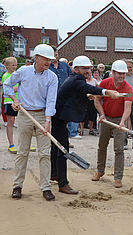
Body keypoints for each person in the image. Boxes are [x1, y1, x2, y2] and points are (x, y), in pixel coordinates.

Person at [51, 56, 118, 194]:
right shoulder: (76, 80)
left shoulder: (73, 79)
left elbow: (79, 92)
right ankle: (63, 184)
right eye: (85, 68)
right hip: (59, 119)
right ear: (76, 69)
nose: (88, 70)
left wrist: (88, 96)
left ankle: (54, 174)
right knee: (63, 150)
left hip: (59, 117)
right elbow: (85, 87)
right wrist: (106, 92)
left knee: (56, 148)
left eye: (89, 68)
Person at [5, 44, 58, 201]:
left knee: (44, 153)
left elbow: (51, 100)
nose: (48, 62)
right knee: (22, 152)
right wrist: (14, 100)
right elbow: (7, 85)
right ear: (37, 58)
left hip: (42, 116)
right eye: (46, 59)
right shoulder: (23, 72)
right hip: (25, 115)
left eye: (50, 59)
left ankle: (46, 188)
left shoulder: (52, 77)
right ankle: (17, 186)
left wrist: (48, 120)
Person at [91, 60, 133, 188]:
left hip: (119, 119)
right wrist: (101, 114)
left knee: (119, 149)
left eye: (123, 74)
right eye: (119, 74)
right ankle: (100, 171)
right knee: (102, 146)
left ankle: (118, 177)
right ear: (113, 73)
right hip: (106, 118)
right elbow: (97, 100)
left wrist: (122, 121)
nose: (121, 76)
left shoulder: (128, 88)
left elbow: (128, 108)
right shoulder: (104, 83)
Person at [2, 57, 22, 153]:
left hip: (19, 100)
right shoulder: (6, 76)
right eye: (13, 65)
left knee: (23, 122)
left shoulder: (16, 75)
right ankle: (11, 144)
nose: (15, 67)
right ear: (7, 66)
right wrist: (19, 86)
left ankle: (23, 143)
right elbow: (11, 88)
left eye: (16, 65)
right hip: (9, 101)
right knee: (11, 122)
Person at [78, 70, 99, 136]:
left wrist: (94, 96)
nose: (89, 75)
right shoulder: (83, 81)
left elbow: (96, 89)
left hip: (91, 100)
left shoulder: (94, 81)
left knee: (91, 115)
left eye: (90, 73)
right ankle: (81, 130)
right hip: (83, 100)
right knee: (83, 114)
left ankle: (91, 129)